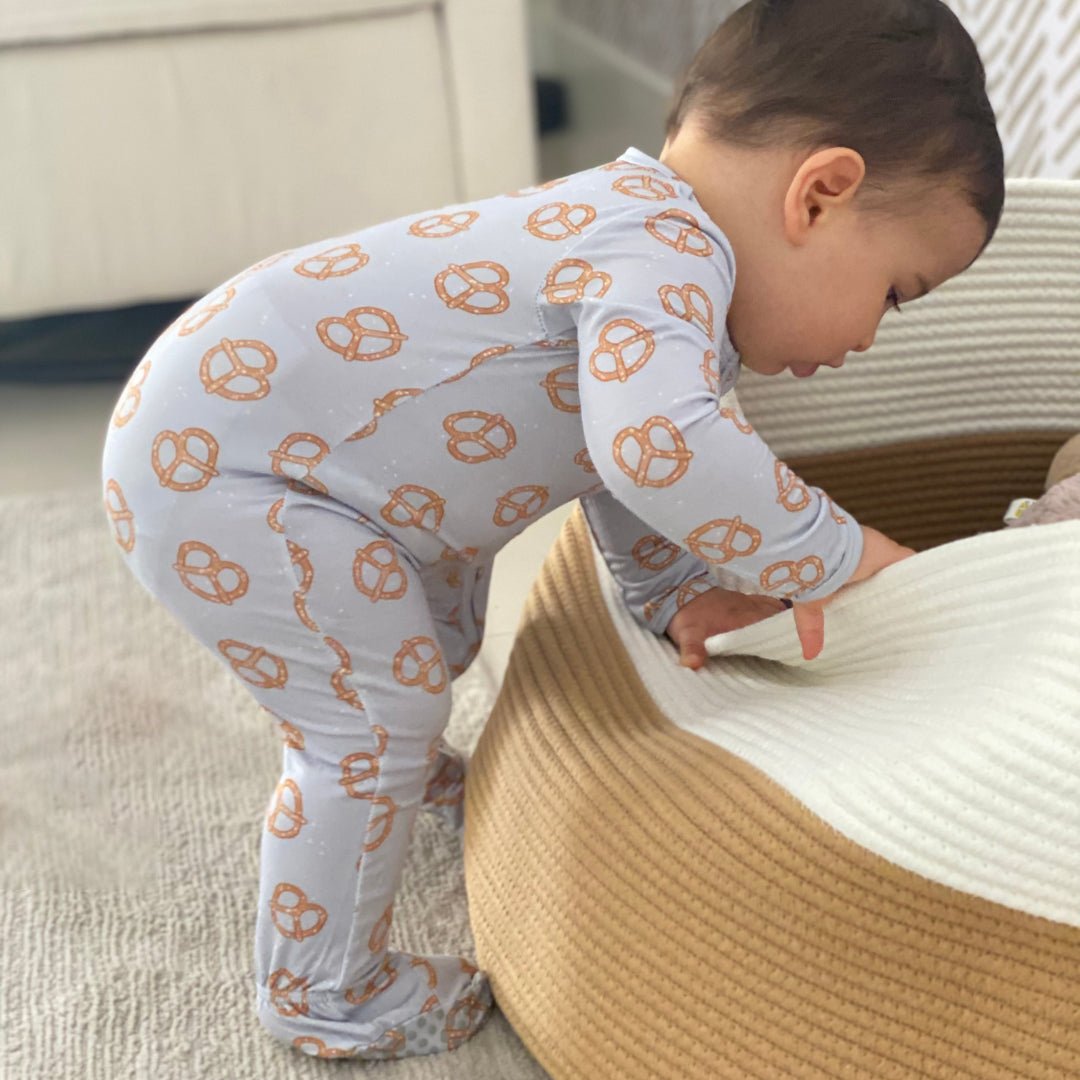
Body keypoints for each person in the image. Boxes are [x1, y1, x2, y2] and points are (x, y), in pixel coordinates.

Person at [100, 0, 1003, 1062]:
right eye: (895, 294)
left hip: (266, 447)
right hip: (222, 465)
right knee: (375, 712)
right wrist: (841, 560)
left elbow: (610, 453)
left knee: (430, 642)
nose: (868, 341)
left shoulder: (652, 247)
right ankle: (321, 992)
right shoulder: (662, 252)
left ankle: (394, 777)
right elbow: (654, 447)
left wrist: (675, 590)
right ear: (820, 192)